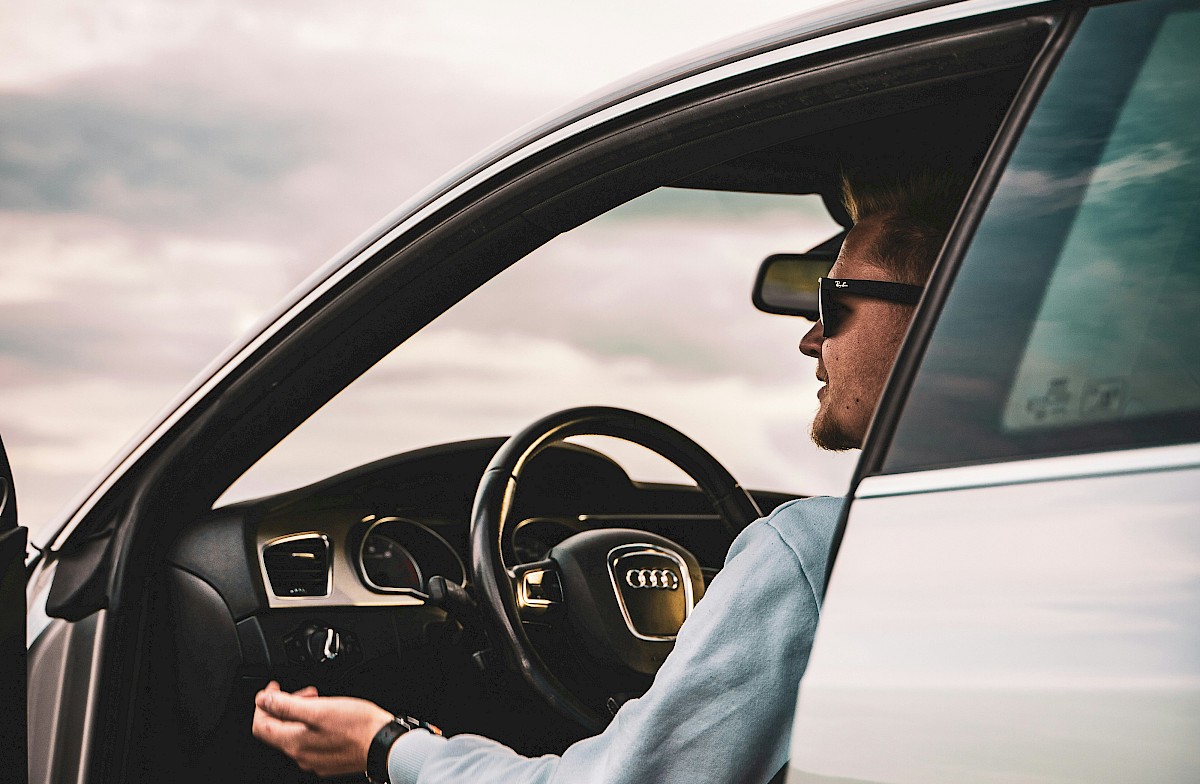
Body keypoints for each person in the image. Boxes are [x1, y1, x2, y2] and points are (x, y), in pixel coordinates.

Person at [252, 164, 968, 784]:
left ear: (940, 317)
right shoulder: (1028, 528)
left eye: (834, 303)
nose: (809, 336)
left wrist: (388, 747)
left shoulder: (815, 557)